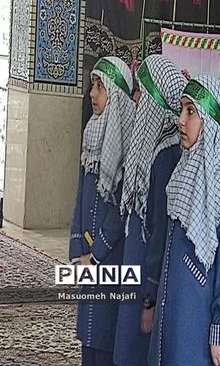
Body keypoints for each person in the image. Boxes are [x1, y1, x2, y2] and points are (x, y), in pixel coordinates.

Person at [148, 75, 220, 366]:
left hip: (197, 316)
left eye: (190, 111)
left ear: (209, 123)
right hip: (169, 307)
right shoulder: (180, 175)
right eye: (181, 109)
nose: (181, 120)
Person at [113, 55, 187, 365]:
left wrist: (149, 299)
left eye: (142, 93)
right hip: (135, 267)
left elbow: (158, 232)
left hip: (146, 273)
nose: (137, 100)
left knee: (136, 351)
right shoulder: (151, 146)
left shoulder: (166, 154)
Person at [69, 56, 136, 366]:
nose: (92, 94)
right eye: (92, 86)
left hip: (111, 257)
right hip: (88, 254)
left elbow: (119, 211)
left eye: (100, 87)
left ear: (116, 95)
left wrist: (95, 255)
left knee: (105, 336)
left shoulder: (127, 143)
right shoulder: (92, 132)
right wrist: (77, 251)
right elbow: (81, 196)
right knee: (88, 336)